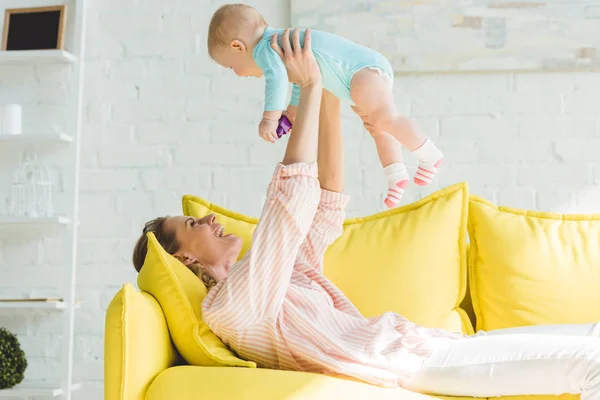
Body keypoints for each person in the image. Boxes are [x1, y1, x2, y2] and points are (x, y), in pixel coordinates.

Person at [133, 28, 600, 399]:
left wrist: (329, 96)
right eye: (193, 225)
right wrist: (310, 86)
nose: (210, 220)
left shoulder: (277, 278)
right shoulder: (230, 308)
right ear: (186, 260)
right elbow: (288, 204)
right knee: (592, 365)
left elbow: (325, 203)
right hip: (412, 365)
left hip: (429, 343)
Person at [206, 3, 444, 209]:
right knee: (377, 126)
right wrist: (291, 112)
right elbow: (301, 79)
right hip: (358, 77)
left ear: (238, 46)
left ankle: (429, 155)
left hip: (361, 71)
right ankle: (396, 174)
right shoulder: (284, 47)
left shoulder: (266, 48)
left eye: (230, 67)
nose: (236, 74)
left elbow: (276, 80)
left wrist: (270, 117)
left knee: (384, 120)